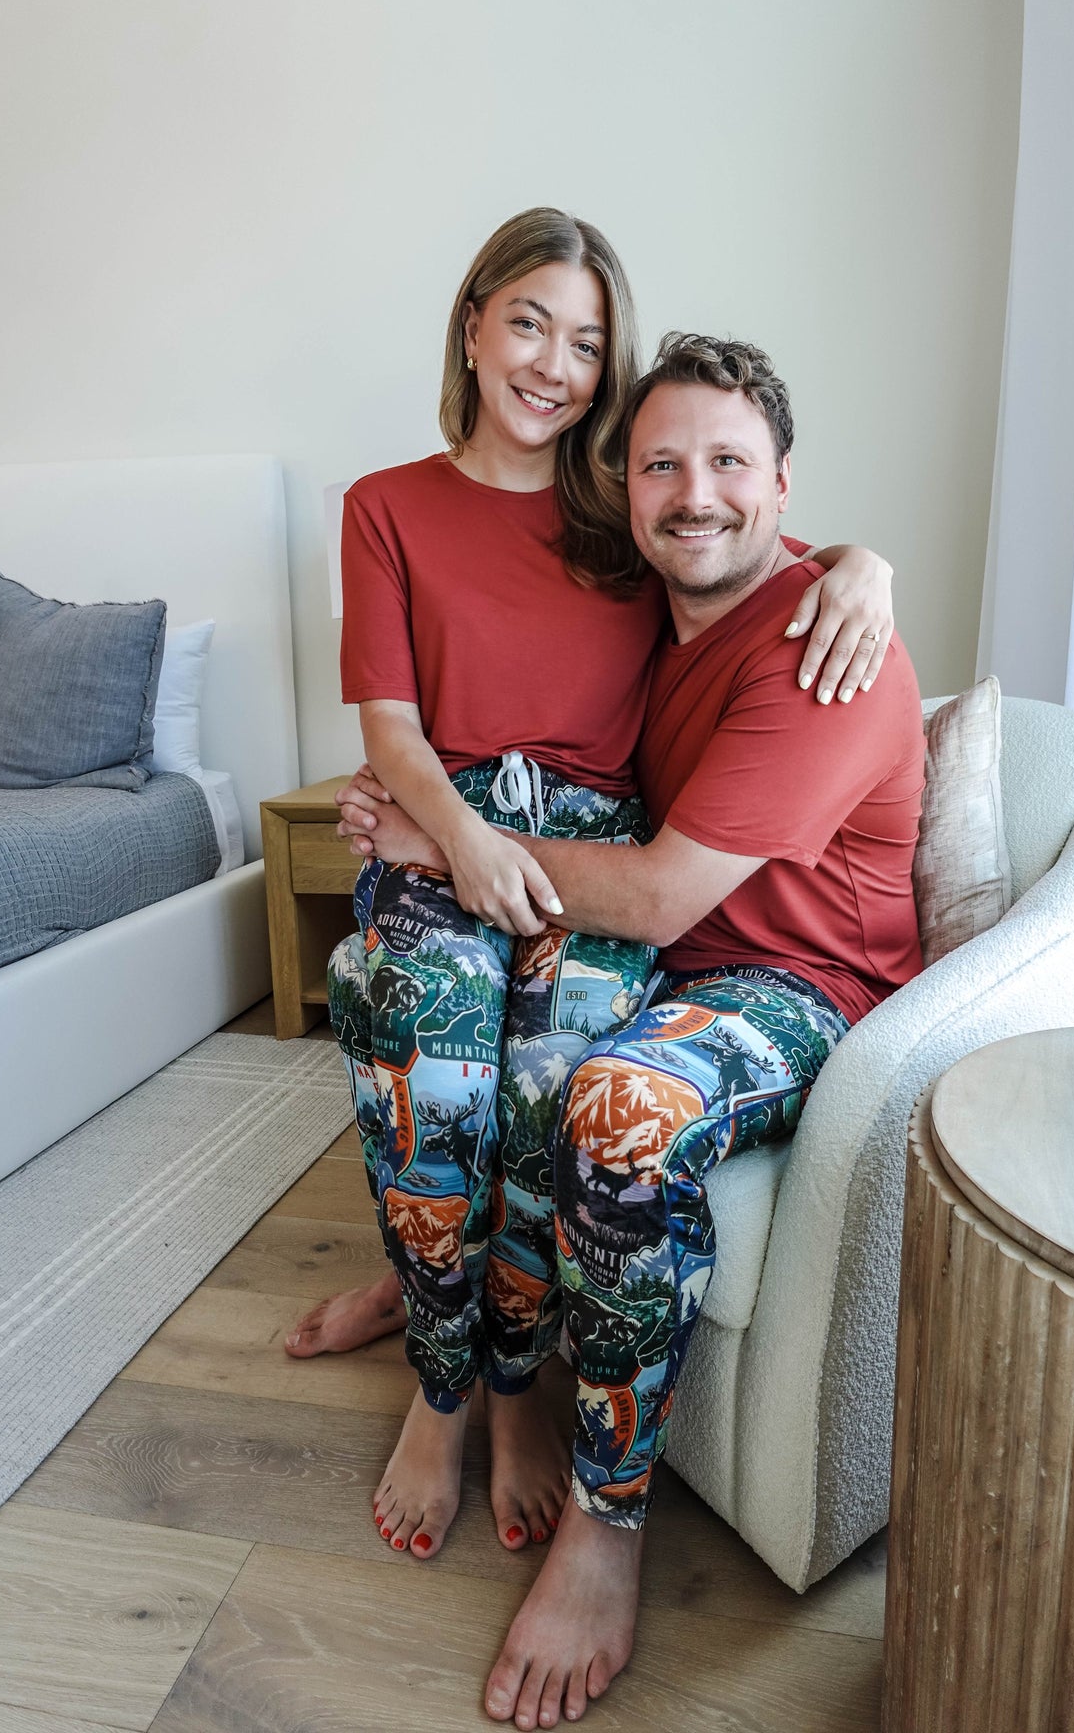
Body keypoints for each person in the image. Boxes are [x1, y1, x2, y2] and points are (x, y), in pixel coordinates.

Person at [289, 205, 896, 1572]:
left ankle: (516, 1394)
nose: (555, 363)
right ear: (472, 322)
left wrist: (872, 565)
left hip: (596, 849)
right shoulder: (385, 506)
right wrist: (447, 833)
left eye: (588, 341)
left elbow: (745, 542)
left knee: (545, 1096)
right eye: (528, 323)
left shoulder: (616, 518)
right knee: (424, 1074)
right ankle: (442, 1388)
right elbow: (391, 726)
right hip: (450, 816)